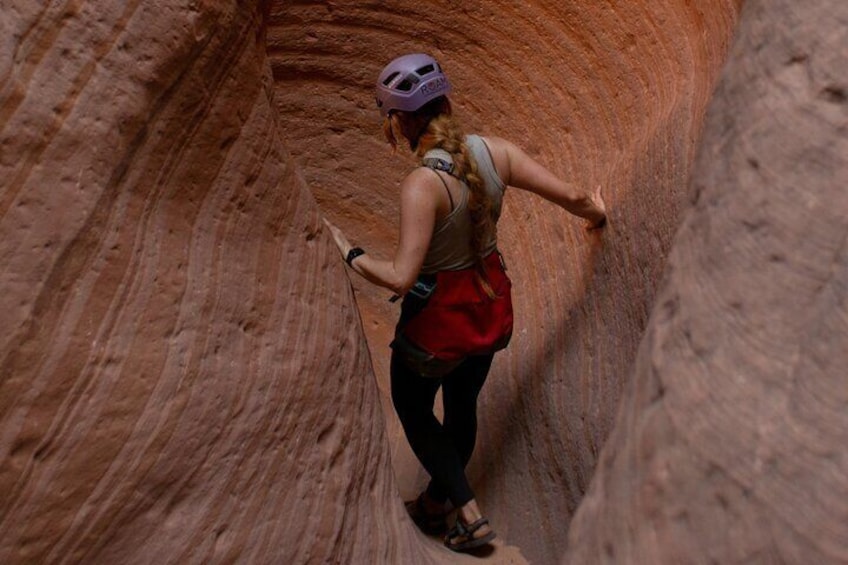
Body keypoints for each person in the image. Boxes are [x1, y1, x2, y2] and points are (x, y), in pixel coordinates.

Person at [324, 53, 606, 553]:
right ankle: (438, 504)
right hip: (491, 308)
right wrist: (596, 213)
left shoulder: (421, 185)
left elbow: (402, 276)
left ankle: (468, 512)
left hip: (440, 323)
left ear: (402, 120)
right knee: (461, 405)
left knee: (412, 407)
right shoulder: (496, 152)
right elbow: (575, 196)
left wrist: (350, 252)